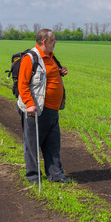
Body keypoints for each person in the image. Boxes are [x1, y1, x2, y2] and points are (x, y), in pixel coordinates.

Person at [17, 29, 70, 184]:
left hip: (52, 110)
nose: (56, 42)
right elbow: (23, 84)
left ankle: (56, 175)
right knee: (32, 144)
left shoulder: (51, 57)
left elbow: (48, 77)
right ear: (44, 41)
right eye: (53, 39)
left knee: (53, 144)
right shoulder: (30, 58)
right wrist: (30, 104)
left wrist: (61, 72)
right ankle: (33, 176)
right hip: (37, 109)